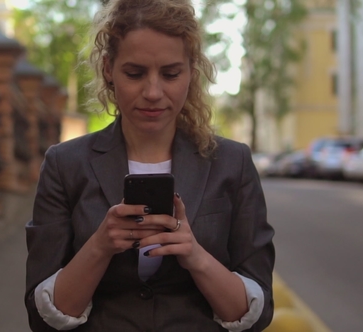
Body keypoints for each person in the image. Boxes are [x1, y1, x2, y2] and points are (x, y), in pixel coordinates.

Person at [24, 0, 275, 331]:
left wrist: (195, 256)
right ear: (108, 70)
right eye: (135, 73)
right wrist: (100, 245)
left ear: (191, 72)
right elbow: (42, 318)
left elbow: (257, 315)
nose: (153, 92)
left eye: (171, 74)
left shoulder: (232, 162)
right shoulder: (65, 164)